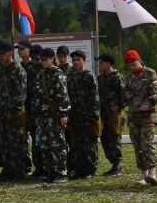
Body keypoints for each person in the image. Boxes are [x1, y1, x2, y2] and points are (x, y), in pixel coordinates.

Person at [32, 48, 72, 183]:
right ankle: (50, 171)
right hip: (43, 115)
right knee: (44, 144)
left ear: (52, 59)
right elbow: (36, 96)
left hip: (55, 115)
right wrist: (36, 115)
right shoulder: (40, 75)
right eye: (41, 60)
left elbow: (63, 95)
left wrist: (63, 113)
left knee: (58, 144)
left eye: (45, 59)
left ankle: (61, 172)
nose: (42, 62)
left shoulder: (58, 74)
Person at [0, 41, 28, 182]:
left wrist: (13, 111)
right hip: (1, 114)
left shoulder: (18, 70)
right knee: (3, 145)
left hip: (13, 115)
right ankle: (7, 171)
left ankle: (18, 172)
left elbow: (21, 94)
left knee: (16, 144)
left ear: (10, 53)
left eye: (1, 53)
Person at [123, 50, 157, 186]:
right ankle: (144, 174)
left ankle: (152, 172)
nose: (132, 67)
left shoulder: (150, 73)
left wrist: (147, 104)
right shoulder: (129, 78)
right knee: (137, 146)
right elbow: (125, 95)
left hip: (148, 116)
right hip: (134, 117)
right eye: (129, 65)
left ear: (139, 60)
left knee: (146, 144)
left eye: (133, 63)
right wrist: (125, 97)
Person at [67, 50, 101, 179]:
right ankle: (78, 169)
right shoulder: (70, 77)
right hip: (74, 117)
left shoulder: (89, 76)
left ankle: (90, 170)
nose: (75, 62)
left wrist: (91, 117)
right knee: (76, 145)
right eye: (74, 60)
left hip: (87, 116)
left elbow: (94, 99)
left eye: (78, 60)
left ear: (84, 61)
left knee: (89, 145)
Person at [96, 54, 126, 176]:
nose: (100, 65)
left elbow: (124, 95)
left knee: (114, 137)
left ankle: (118, 165)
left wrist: (119, 106)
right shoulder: (100, 78)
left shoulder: (118, 77)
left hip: (113, 114)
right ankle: (113, 164)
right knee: (104, 138)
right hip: (102, 113)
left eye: (101, 62)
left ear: (108, 63)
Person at [17, 41, 39, 177]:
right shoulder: (19, 66)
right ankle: (25, 166)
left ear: (29, 50)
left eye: (22, 49)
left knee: (37, 139)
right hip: (23, 107)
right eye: (18, 49)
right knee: (23, 137)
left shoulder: (36, 66)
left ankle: (40, 166)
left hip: (34, 106)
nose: (20, 51)